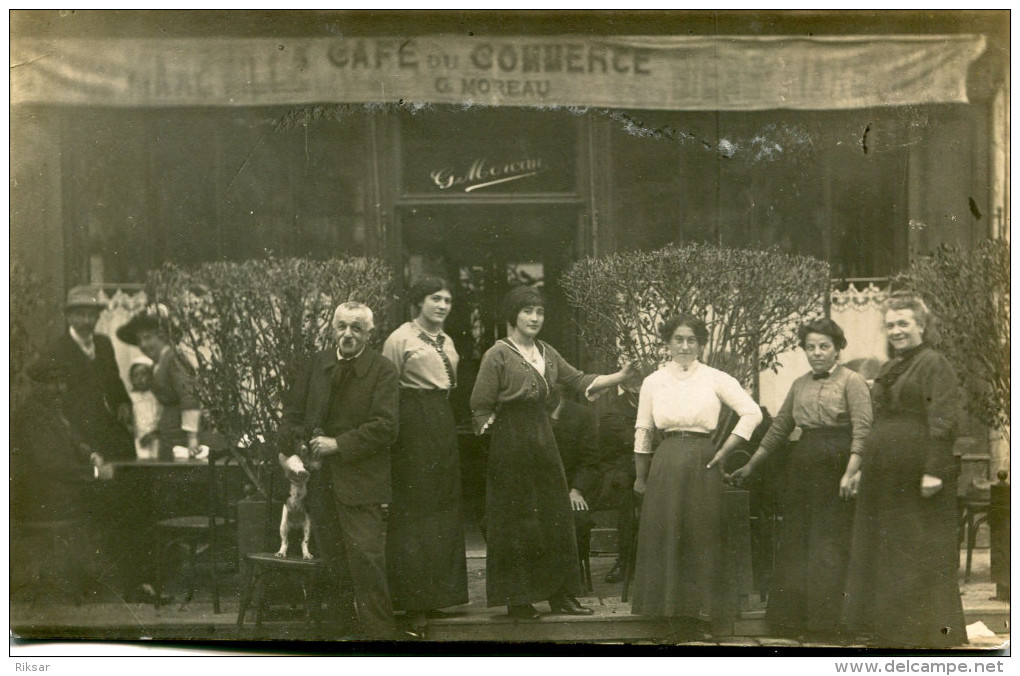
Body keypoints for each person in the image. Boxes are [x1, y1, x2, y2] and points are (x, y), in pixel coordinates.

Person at [469, 285, 635, 619]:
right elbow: (479, 405)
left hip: (543, 439)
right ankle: (519, 600)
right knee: (518, 521)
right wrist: (499, 441)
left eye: (539, 312)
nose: (534, 317)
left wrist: (621, 375)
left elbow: (579, 380)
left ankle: (562, 596)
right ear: (513, 315)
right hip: (511, 441)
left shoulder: (546, 351)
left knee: (554, 517)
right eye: (527, 310)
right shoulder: (497, 354)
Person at [727, 318, 873, 639]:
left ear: (838, 348)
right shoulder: (799, 384)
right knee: (800, 542)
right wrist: (751, 465)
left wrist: (852, 471)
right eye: (811, 347)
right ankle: (795, 622)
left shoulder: (853, 381)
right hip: (804, 468)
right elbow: (779, 429)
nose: (817, 353)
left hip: (838, 467)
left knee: (831, 544)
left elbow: (863, 430)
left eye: (824, 346)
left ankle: (831, 624)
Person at [841, 292, 966, 647]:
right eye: (891, 324)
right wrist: (865, 466)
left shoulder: (933, 363)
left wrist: (935, 470)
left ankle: (921, 632)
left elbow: (942, 418)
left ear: (921, 326)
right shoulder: (888, 367)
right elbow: (879, 421)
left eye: (904, 323)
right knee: (886, 548)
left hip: (916, 472)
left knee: (914, 548)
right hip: (884, 472)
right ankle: (890, 630)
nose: (896, 330)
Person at [629, 314, 763, 638]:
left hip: (704, 460)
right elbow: (644, 430)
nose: (685, 346)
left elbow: (752, 412)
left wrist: (724, 451)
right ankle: (669, 616)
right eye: (679, 339)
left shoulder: (716, 378)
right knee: (667, 534)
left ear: (700, 343)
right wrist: (640, 476)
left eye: (692, 340)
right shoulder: (653, 381)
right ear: (668, 342)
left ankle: (702, 617)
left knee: (701, 535)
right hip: (666, 459)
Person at [279, 301, 399, 640]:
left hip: (362, 482)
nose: (348, 334)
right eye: (342, 327)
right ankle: (340, 638)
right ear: (332, 329)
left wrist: (339, 444)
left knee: (368, 561)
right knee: (331, 561)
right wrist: (289, 453)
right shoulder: (316, 364)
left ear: (369, 333)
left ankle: (380, 639)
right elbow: (291, 415)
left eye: (356, 328)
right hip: (318, 481)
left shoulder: (383, 370)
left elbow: (387, 427)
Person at [382, 276, 469, 637]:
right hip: (411, 423)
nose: (442, 305)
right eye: (435, 298)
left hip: (441, 420)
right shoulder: (400, 339)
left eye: (448, 300)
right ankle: (412, 602)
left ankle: (437, 595)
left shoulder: (446, 340)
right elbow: (387, 389)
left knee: (442, 506)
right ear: (419, 302)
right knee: (415, 508)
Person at [11, 358, 108, 602]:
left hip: (56, 491)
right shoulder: (32, 416)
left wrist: (90, 454)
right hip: (41, 498)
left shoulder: (51, 411)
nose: (60, 389)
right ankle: (84, 580)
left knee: (112, 499)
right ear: (37, 385)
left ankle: (87, 578)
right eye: (52, 384)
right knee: (113, 503)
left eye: (62, 382)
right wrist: (95, 473)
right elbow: (52, 465)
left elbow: (73, 440)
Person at [41, 285, 134, 461]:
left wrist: (123, 402)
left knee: (125, 464)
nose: (86, 321)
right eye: (80, 315)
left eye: (91, 315)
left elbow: (114, 379)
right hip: (77, 428)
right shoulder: (58, 349)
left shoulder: (103, 344)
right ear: (68, 317)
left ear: (98, 317)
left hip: (105, 425)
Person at [116, 306, 202, 458]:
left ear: (162, 336)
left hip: (181, 435)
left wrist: (192, 440)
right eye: (139, 340)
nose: (143, 345)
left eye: (148, 337)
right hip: (167, 434)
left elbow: (189, 396)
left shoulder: (174, 358)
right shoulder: (158, 364)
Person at [547, 383, 600, 566]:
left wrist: (576, 490)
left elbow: (590, 461)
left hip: (572, 488)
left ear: (557, 390)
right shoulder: (531, 415)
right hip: (540, 488)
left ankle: (568, 579)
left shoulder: (583, 416)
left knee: (576, 520)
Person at [128, 356, 162, 459]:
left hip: (156, 440)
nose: (140, 378)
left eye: (143, 374)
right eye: (135, 375)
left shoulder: (157, 397)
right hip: (137, 441)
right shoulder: (129, 398)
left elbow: (161, 418)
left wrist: (155, 433)